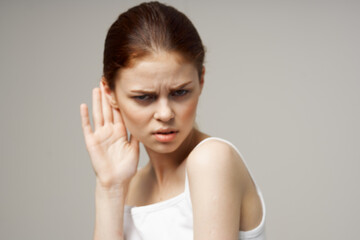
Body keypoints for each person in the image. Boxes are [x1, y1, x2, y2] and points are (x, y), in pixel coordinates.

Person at [79, 2, 266, 240]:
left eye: (180, 92)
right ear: (110, 93)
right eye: (144, 97)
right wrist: (109, 188)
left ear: (201, 80)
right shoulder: (127, 186)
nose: (165, 113)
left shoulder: (211, 160)